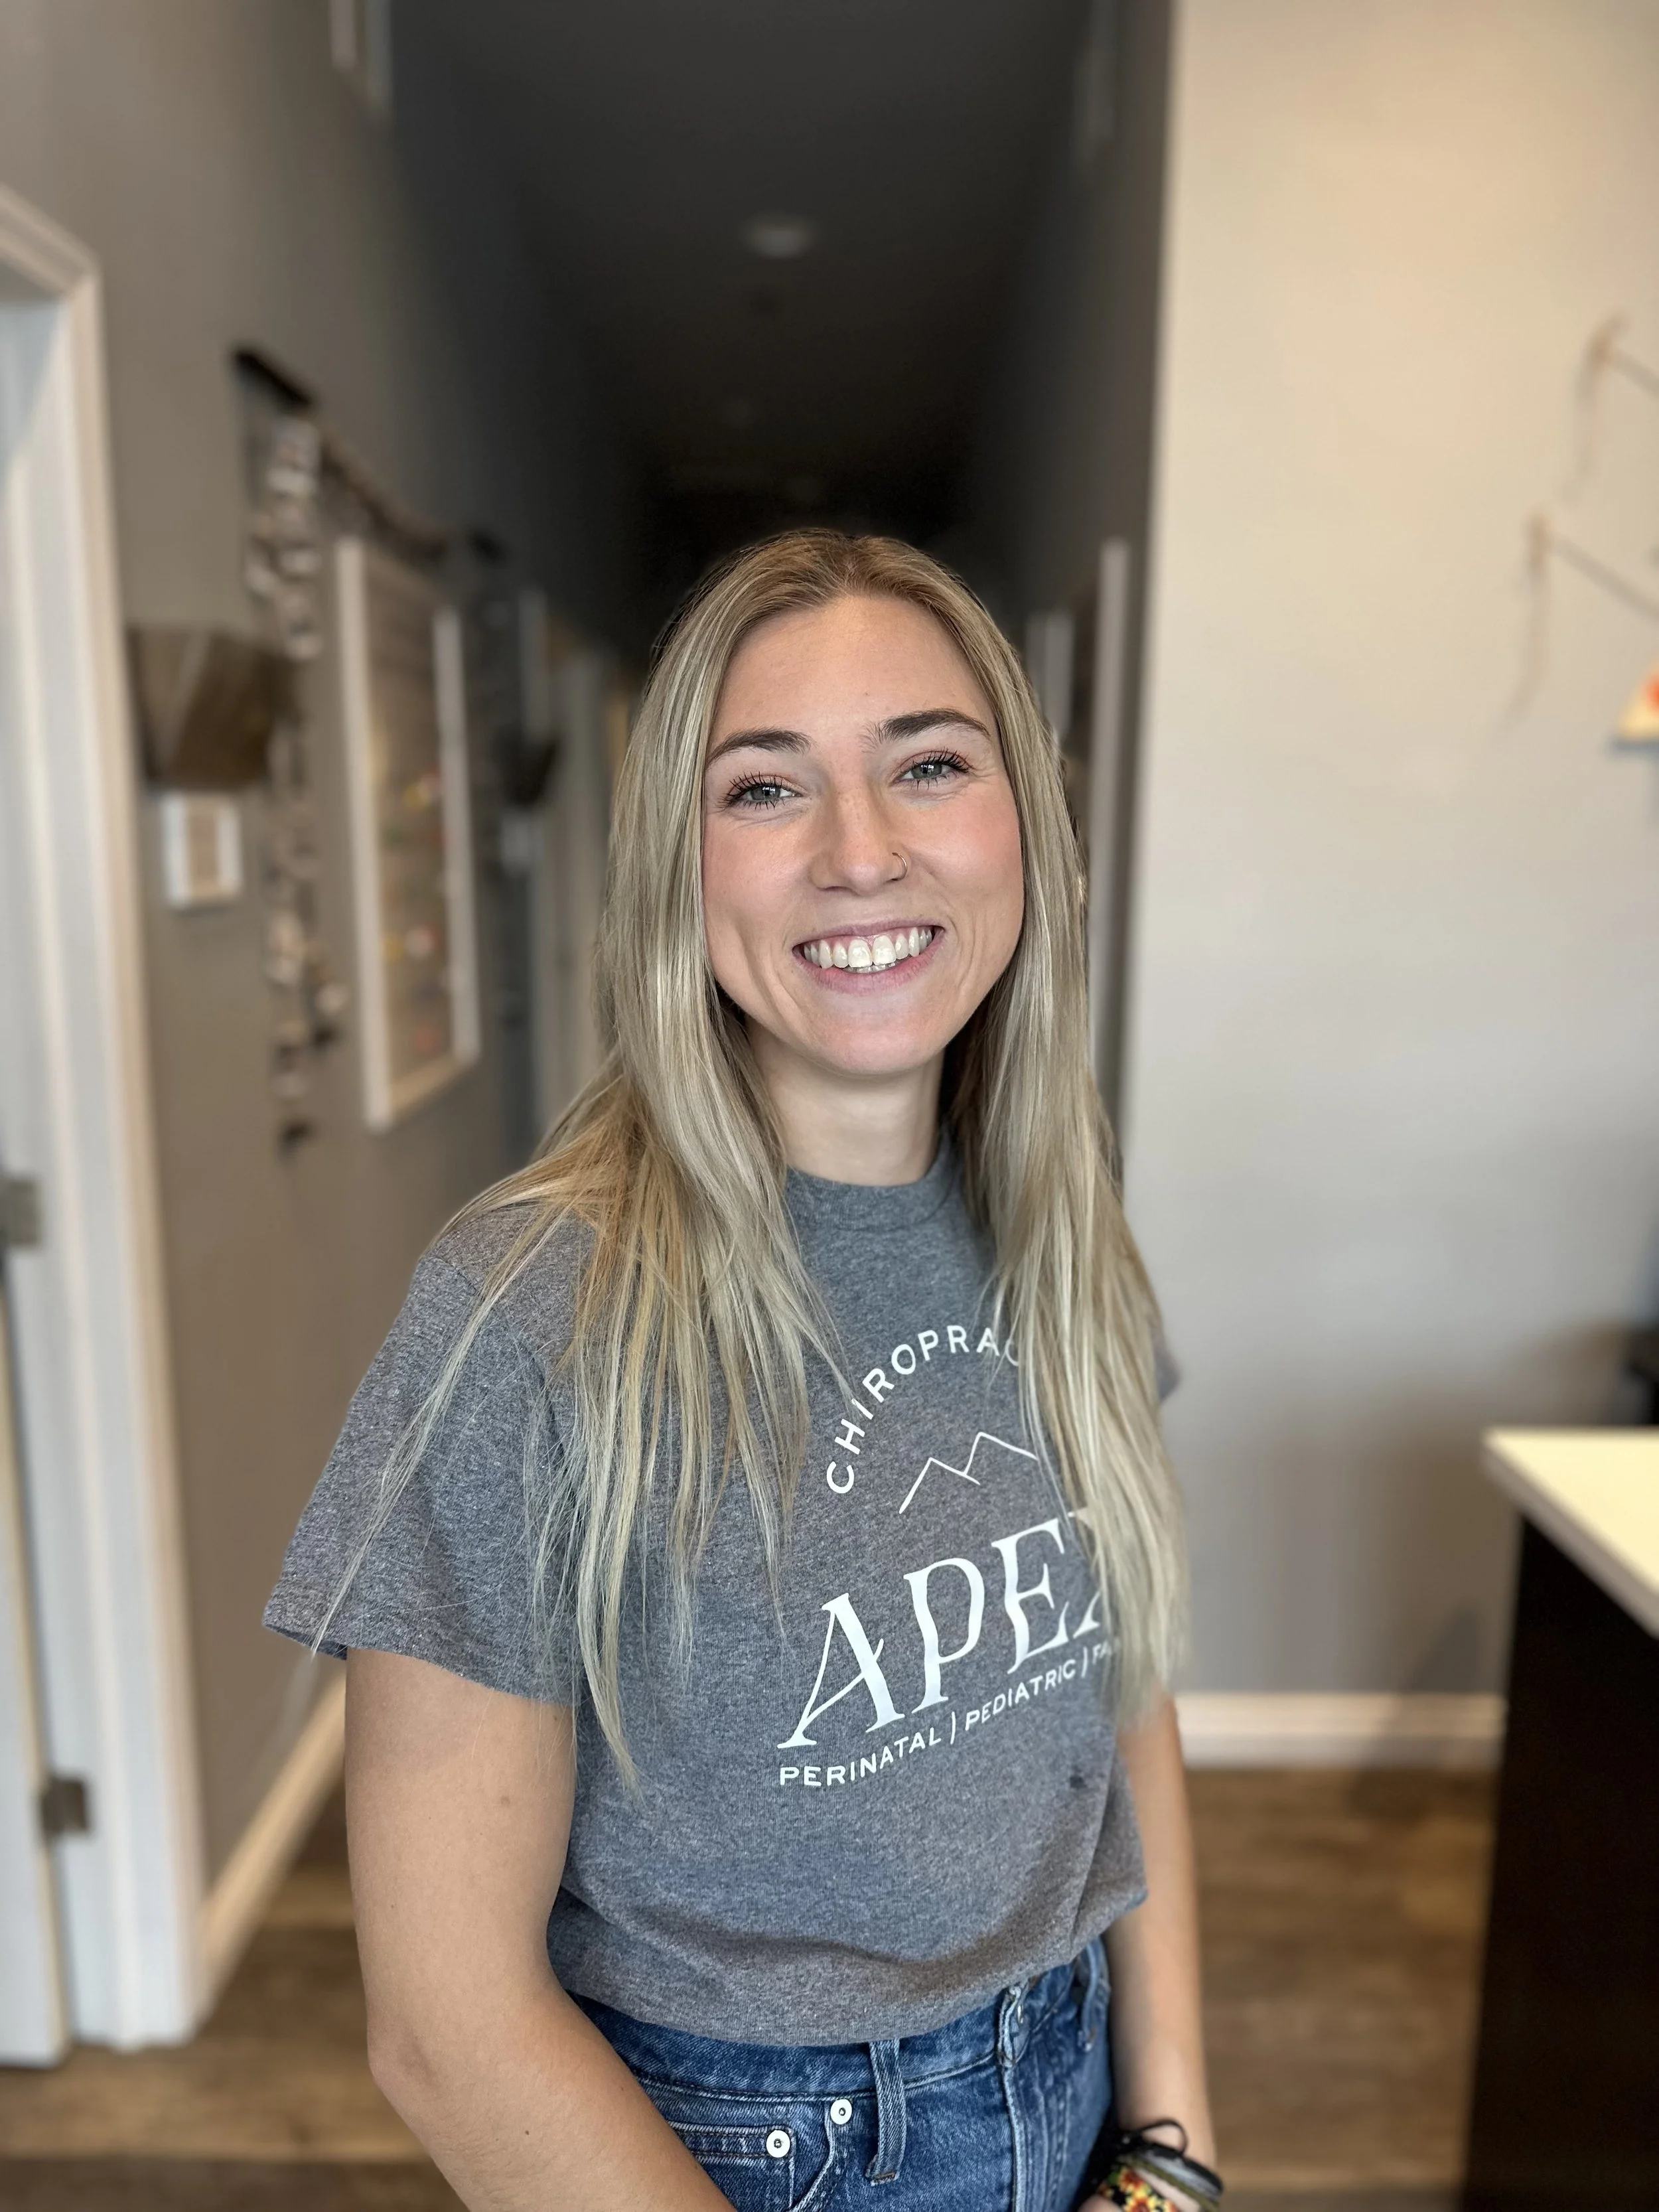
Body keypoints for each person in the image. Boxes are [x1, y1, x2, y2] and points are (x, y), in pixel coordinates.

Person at [267, 530, 1222, 2212]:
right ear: (675, 866)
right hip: (740, 2157)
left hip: (1074, 2094)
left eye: (927, 763)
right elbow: (444, 2023)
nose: (862, 853)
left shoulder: (1061, 1229)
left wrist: (1172, 2141)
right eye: (764, 789)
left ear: (1024, 826)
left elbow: (1114, 1687)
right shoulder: (527, 1310)